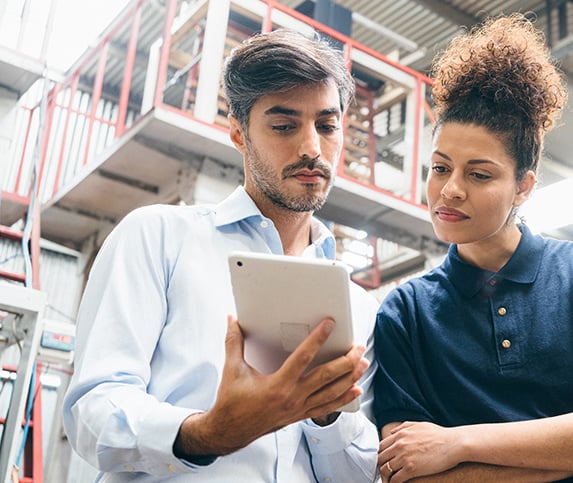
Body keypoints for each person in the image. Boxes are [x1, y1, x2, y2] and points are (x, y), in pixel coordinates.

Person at [62, 29, 380, 482]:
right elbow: (92, 413)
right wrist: (206, 434)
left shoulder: (360, 308)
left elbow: (354, 476)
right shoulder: (158, 238)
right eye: (285, 125)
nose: (312, 148)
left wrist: (326, 414)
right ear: (238, 131)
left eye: (327, 126)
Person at [372, 13, 573, 483]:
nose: (451, 190)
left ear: (523, 187)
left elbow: (433, 453)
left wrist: (456, 442)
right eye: (440, 168)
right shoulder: (405, 312)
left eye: (479, 174)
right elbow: (404, 470)